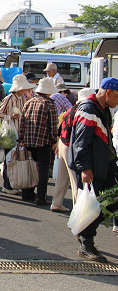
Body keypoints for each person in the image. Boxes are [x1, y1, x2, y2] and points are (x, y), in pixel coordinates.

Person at [70, 78, 118, 263]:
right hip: (91, 168)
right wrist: (85, 168)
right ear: (109, 93)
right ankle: (86, 244)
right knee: (94, 206)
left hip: (103, 165)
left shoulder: (103, 109)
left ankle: (83, 233)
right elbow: (80, 143)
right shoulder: (88, 109)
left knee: (108, 203)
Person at [50, 87, 95, 213]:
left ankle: (56, 203)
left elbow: (60, 129)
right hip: (71, 147)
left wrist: (58, 145)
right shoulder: (84, 111)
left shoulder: (70, 110)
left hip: (63, 143)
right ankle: (78, 211)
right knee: (76, 181)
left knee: (62, 178)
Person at [17, 77, 59, 205]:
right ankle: (41, 196)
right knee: (43, 169)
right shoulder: (50, 104)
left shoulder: (29, 102)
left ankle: (27, 193)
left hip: (28, 140)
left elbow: (22, 121)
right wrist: (54, 141)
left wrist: (21, 138)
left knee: (29, 167)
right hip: (43, 141)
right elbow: (53, 125)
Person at [0, 74, 35, 195]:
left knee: (18, 159)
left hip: (20, 133)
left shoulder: (23, 98)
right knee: (10, 160)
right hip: (11, 134)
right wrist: (10, 117)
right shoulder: (9, 98)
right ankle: (7, 185)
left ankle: (14, 182)